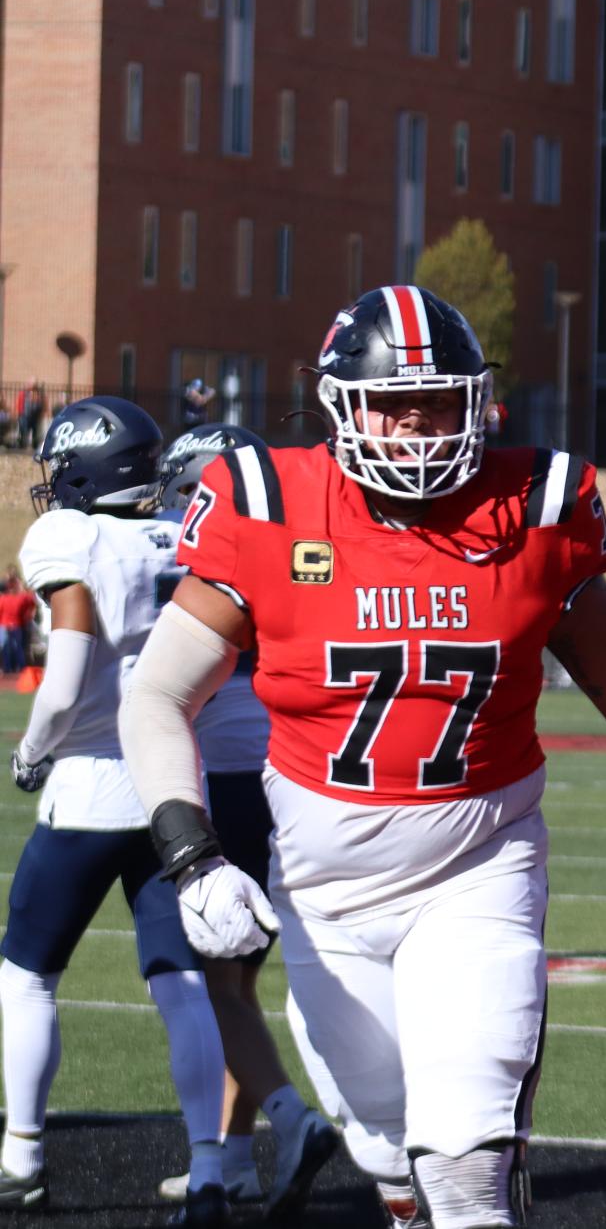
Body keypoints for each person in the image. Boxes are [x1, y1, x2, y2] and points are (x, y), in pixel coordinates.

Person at [119, 285, 606, 1229]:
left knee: (464, 1161)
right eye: (391, 402)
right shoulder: (269, 501)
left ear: (480, 401)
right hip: (324, 889)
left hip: (478, 864)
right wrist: (192, 856)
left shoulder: (536, 505)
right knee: (386, 1148)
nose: (417, 424)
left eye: (438, 400)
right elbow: (157, 692)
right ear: (341, 405)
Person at [1, 397, 232, 1223]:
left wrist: (31, 750)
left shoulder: (71, 536)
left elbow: (64, 674)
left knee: (26, 972)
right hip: (175, 781)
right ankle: (210, 1166)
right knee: (181, 982)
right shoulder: (181, 528)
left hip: (93, 779)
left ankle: (22, 1155)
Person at [147, 423, 343, 1216]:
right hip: (287, 781)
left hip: (220, 785)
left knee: (214, 988)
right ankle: (233, 1160)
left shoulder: (193, 566)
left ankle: (286, 1122)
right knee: (241, 985)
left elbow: (154, 689)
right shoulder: (294, 548)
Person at [0, 570, 33, 675]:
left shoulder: (19, 598)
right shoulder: (7, 598)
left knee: (14, 647)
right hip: (10, 625)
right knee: (10, 647)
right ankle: (12, 668)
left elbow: (30, 601)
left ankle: (14, 668)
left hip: (11, 625)